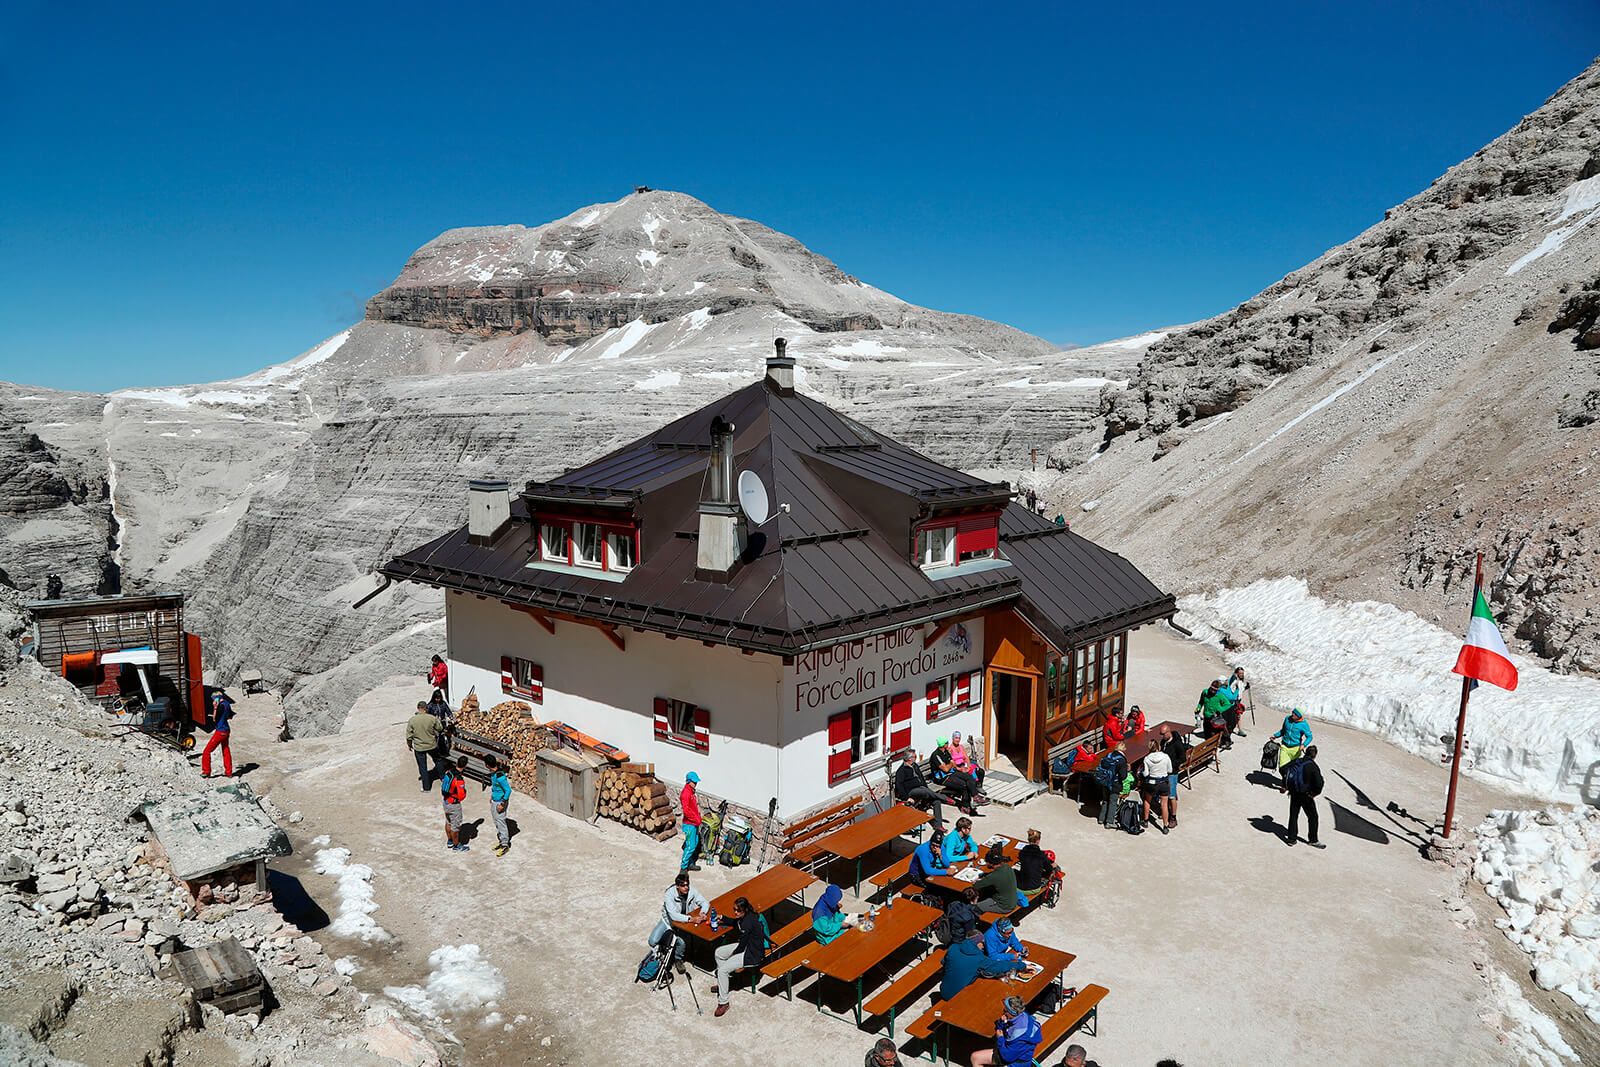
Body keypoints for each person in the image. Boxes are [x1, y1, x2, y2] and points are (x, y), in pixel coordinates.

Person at [713, 896, 764, 1017]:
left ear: (745, 910)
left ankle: (723, 1002)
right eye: (734, 909)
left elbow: (742, 945)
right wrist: (723, 918)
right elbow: (735, 922)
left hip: (751, 953)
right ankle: (725, 984)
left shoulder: (748, 922)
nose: (735, 912)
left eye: (738, 910)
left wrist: (732, 956)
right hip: (746, 947)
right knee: (718, 953)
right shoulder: (744, 917)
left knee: (722, 971)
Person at [941, 929, 1022, 1000]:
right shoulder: (979, 959)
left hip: (944, 989)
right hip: (957, 996)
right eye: (982, 943)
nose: (984, 945)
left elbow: (944, 962)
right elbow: (998, 966)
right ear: (977, 943)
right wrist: (1020, 965)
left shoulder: (953, 947)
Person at [648, 871, 707, 971]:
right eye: (683, 885)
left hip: (683, 925)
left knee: (682, 944)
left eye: (687, 885)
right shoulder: (669, 894)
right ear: (677, 886)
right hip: (669, 923)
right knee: (652, 941)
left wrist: (703, 913)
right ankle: (664, 947)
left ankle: (677, 959)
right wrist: (691, 919)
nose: (686, 887)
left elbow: (705, 902)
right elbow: (673, 915)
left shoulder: (692, 891)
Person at [971, 995, 1042, 1066]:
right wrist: (1002, 1022)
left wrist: (1000, 1038)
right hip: (1015, 1053)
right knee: (975, 1057)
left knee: (976, 1059)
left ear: (1011, 1013)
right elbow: (1000, 1027)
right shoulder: (1022, 1016)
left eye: (1005, 1010)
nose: (1003, 1012)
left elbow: (1007, 1057)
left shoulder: (1019, 1035)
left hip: (1016, 1062)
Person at [1284, 744, 1325, 848]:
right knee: (1313, 817)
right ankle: (1313, 840)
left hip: (1294, 792)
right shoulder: (1313, 766)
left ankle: (1291, 839)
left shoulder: (1297, 761)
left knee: (1293, 815)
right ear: (1315, 755)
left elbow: (1285, 770)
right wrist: (1314, 793)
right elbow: (1319, 783)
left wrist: (1286, 786)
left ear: (1305, 752)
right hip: (1306, 795)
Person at [894, 751, 945, 825]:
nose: (916, 758)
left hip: (921, 789)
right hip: (911, 791)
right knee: (924, 791)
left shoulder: (915, 766)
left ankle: (938, 825)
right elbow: (899, 786)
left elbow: (922, 779)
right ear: (909, 759)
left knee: (936, 801)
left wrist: (927, 789)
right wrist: (906, 798)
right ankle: (944, 798)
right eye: (915, 757)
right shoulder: (901, 770)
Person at [406, 701, 447, 791]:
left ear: (418, 708)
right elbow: (440, 728)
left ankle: (426, 787)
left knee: (422, 766)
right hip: (432, 745)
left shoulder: (412, 720)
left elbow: (409, 736)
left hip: (419, 747)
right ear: (426, 708)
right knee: (438, 761)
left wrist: (409, 745)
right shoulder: (432, 718)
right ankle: (443, 778)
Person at [972, 845, 1020, 915]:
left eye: (986, 861)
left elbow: (976, 886)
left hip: (1003, 906)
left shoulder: (993, 877)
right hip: (1011, 900)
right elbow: (994, 876)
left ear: (991, 863)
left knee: (975, 908)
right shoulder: (1007, 867)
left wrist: (977, 880)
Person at [1140, 732, 1173, 834]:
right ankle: (1165, 825)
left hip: (1152, 783)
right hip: (1163, 782)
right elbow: (1170, 770)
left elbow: (1145, 774)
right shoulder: (1165, 756)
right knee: (1164, 804)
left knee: (1147, 800)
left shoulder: (1147, 758)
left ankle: (1145, 821)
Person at [201, 690, 237, 778]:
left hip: (220, 731)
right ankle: (229, 772)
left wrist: (215, 708)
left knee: (206, 751)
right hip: (226, 729)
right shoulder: (227, 703)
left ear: (216, 698)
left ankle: (206, 771)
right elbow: (230, 716)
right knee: (225, 750)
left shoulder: (220, 706)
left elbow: (214, 719)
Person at [1161, 725, 1189, 827]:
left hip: (1172, 773)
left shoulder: (1177, 744)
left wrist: (1171, 764)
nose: (1162, 736)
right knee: (1165, 793)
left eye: (1163, 734)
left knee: (1171, 795)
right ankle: (1166, 811)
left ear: (1168, 732)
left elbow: (1182, 759)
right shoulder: (1163, 742)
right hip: (1164, 772)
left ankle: (1173, 817)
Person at [1273, 708, 1314, 777]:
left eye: (1294, 714)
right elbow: (1283, 731)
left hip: (1296, 749)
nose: (1292, 714)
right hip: (1284, 747)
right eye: (1292, 712)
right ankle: (1286, 782)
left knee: (1292, 769)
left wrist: (1304, 745)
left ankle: (1287, 784)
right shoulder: (1287, 719)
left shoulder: (1304, 724)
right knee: (1282, 768)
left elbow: (1309, 737)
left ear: (1298, 716)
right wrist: (1275, 736)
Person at [1196, 680, 1236, 750]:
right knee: (1207, 736)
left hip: (1215, 718)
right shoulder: (1205, 692)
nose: (1213, 691)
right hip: (1206, 718)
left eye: (1215, 690)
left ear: (1218, 689)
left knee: (1214, 737)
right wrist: (1198, 708)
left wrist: (1220, 709)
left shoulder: (1220, 696)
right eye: (1212, 689)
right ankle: (1208, 751)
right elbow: (1201, 702)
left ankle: (1217, 747)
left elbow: (1228, 704)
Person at [1096, 743, 1129, 829]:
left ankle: (1101, 818)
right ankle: (1109, 822)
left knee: (1105, 800)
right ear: (1123, 749)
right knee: (1113, 802)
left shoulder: (1108, 755)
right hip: (1115, 783)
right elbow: (1123, 776)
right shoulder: (1122, 760)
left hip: (1105, 781)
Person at [441, 755, 469, 852]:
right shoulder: (459, 778)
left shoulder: (449, 772)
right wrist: (465, 792)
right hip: (454, 804)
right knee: (455, 826)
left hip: (446, 801)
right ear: (465, 766)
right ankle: (456, 846)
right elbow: (461, 796)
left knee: (448, 822)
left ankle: (450, 841)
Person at [486, 755, 512, 856]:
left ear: (487, 765)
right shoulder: (494, 773)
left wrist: (502, 803)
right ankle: (501, 841)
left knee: (501, 821)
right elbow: (495, 788)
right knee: (496, 821)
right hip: (495, 800)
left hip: (500, 802)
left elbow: (508, 790)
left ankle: (505, 844)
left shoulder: (500, 776)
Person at [680, 772, 703, 871]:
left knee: (695, 843)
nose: (696, 783)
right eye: (694, 782)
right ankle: (683, 868)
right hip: (690, 825)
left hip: (694, 823)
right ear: (689, 781)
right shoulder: (686, 793)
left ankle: (691, 863)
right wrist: (696, 819)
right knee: (690, 846)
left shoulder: (691, 791)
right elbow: (686, 811)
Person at [1016, 828, 1051, 893]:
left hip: (1021, 887)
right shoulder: (1041, 855)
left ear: (1028, 839)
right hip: (1035, 888)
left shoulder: (1022, 852)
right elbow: (1049, 869)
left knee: (1013, 871)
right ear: (1038, 840)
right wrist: (1042, 875)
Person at [1223, 667, 1250, 737]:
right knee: (1235, 715)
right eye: (1240, 673)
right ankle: (1232, 729)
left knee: (1238, 715)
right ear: (1236, 673)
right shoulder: (1234, 680)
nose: (1241, 674)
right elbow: (1232, 688)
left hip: (1238, 700)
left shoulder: (1240, 681)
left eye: (1242, 673)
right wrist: (1234, 675)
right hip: (1234, 701)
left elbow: (1240, 690)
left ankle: (1239, 729)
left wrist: (1246, 687)